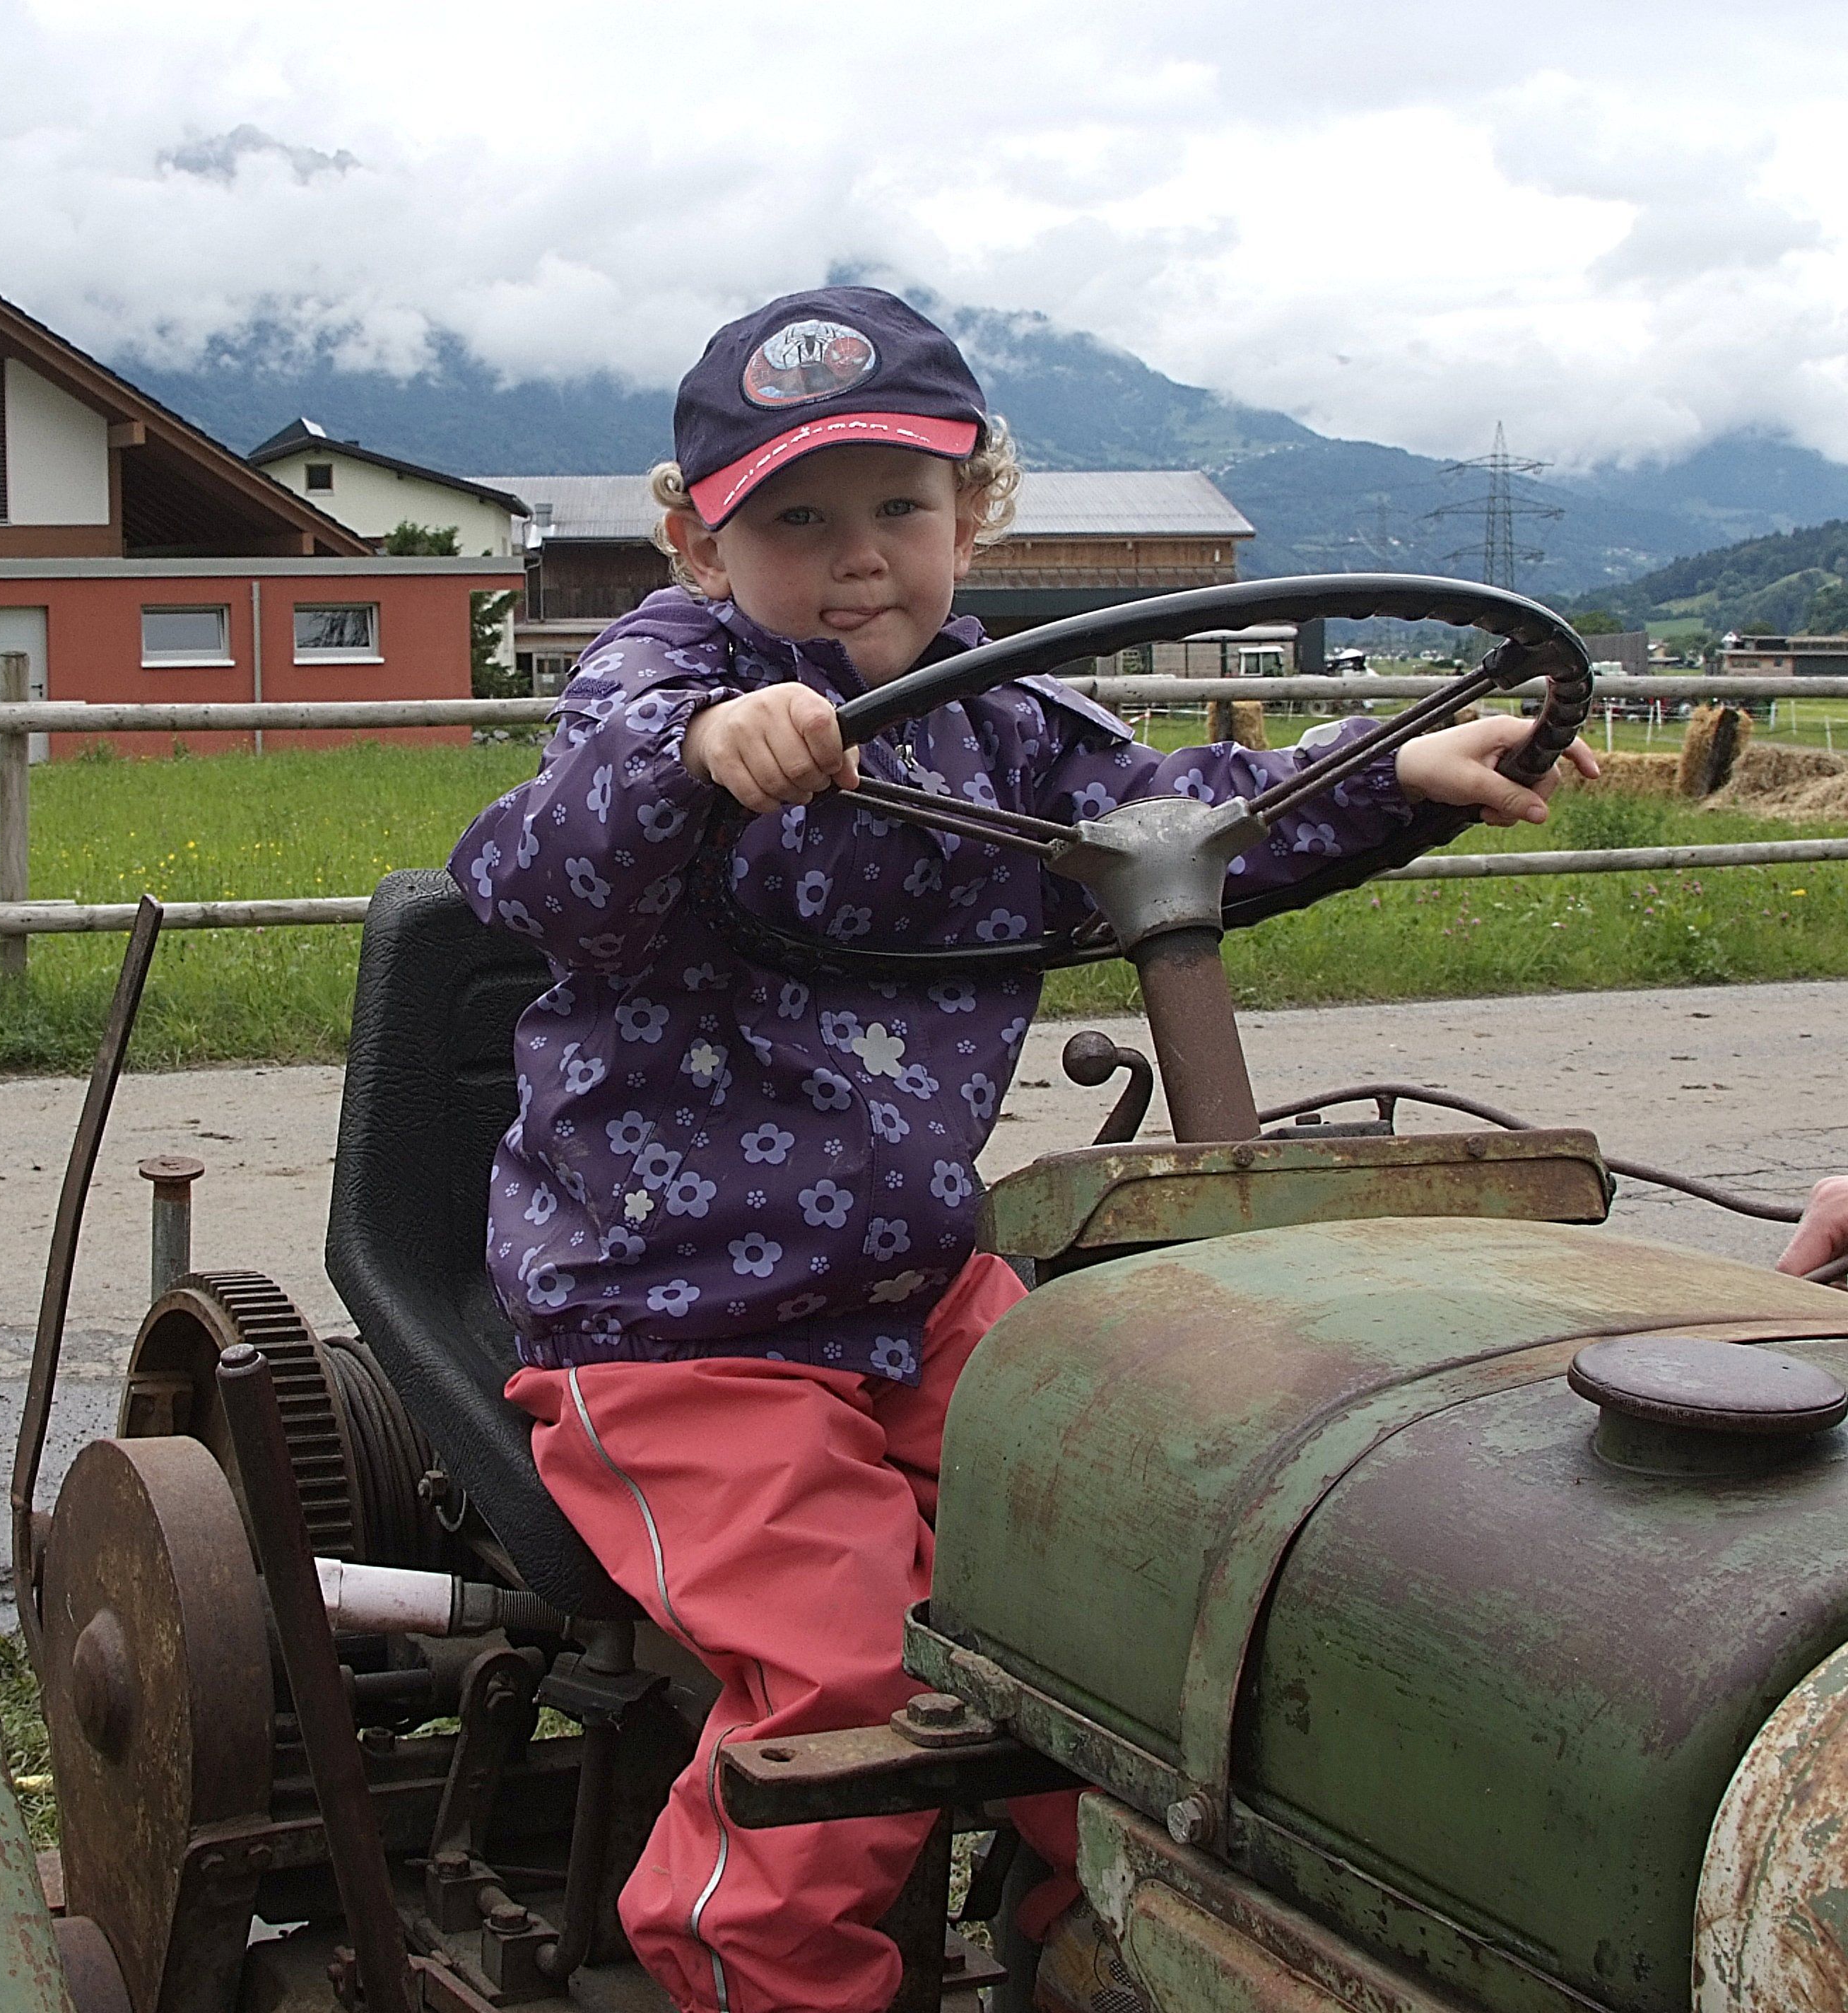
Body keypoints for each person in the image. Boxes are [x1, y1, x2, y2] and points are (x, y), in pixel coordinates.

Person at [449, 286, 1598, 2013]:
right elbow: (540, 854)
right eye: (795, 519)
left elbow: (1192, 810)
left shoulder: (1007, 723)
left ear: (970, 514)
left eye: (897, 510)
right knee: (841, 1679)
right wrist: (701, 758)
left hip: (923, 1292)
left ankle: (1105, 1937)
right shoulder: (667, 681)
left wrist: (1402, 771)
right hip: (678, 1325)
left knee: (1140, 1594)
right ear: (700, 541)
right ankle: (759, 1977)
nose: (854, 561)